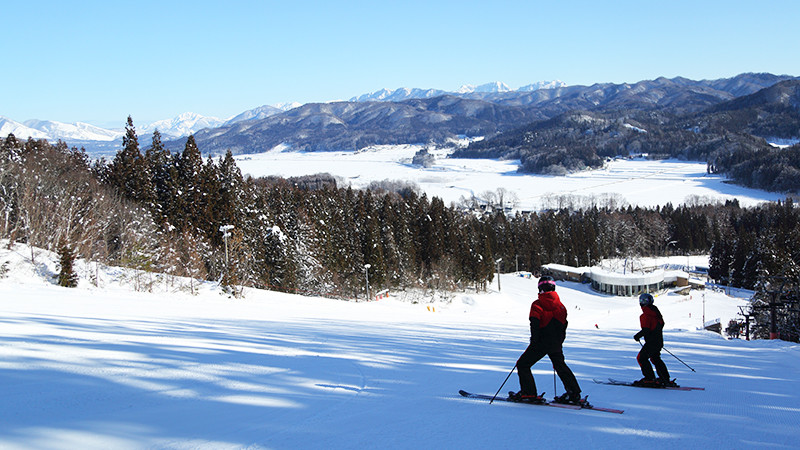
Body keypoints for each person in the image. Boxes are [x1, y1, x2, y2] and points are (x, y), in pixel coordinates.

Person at [511, 276, 585, 405]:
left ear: (540, 288)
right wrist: (559, 342)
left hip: (540, 343)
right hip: (555, 343)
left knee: (523, 364)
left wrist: (534, 342)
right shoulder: (561, 307)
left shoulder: (537, 304)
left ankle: (529, 393)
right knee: (560, 366)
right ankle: (574, 393)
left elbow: (534, 324)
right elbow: (563, 327)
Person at [633, 293, 677, 387]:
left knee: (641, 358)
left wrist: (637, 336)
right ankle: (664, 378)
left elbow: (646, 329)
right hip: (658, 341)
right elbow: (660, 325)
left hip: (651, 343)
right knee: (655, 358)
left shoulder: (646, 315)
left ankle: (649, 378)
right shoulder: (656, 313)